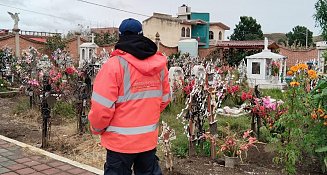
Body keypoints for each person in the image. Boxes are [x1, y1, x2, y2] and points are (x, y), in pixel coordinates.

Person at [88, 18, 171, 175]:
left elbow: (101, 109)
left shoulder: (113, 66)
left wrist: (96, 128)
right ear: (141, 35)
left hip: (119, 145)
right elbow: (164, 100)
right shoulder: (159, 67)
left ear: (120, 37)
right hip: (147, 141)